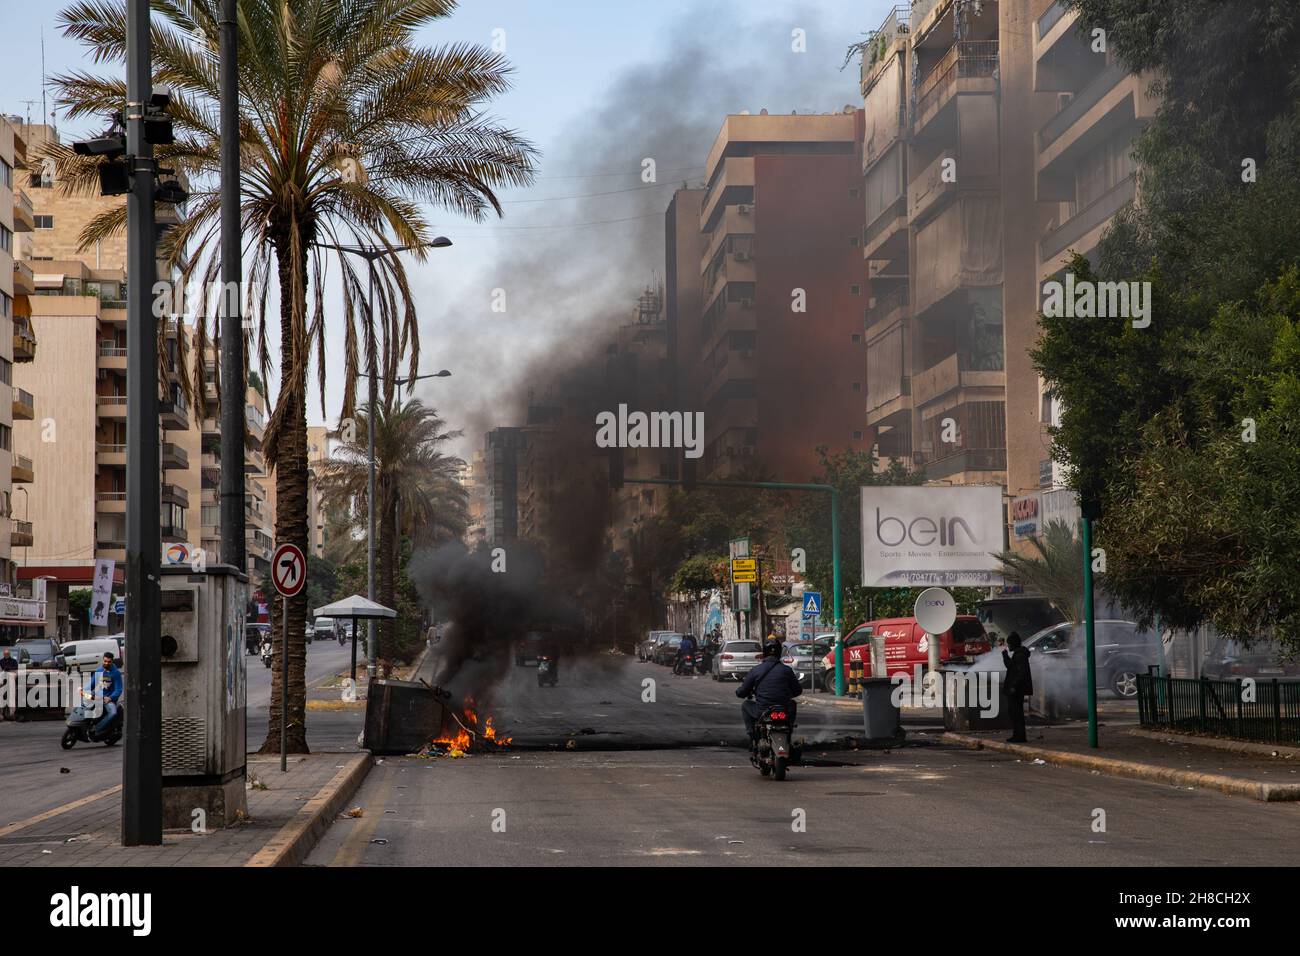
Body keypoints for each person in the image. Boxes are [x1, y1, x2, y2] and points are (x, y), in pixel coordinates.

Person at [735, 638, 803, 744]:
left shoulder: (756, 670)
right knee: (792, 704)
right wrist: (787, 694)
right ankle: (789, 729)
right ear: (779, 652)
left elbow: (742, 692)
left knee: (746, 705)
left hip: (763, 710)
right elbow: (798, 691)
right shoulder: (787, 670)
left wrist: (739, 692)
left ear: (764, 653)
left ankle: (752, 735)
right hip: (783, 710)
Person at [1001, 631, 1032, 743]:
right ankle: (1017, 735)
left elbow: (1021, 673)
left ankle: (1019, 736)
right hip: (1015, 689)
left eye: (1009, 644)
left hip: (1016, 690)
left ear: (1013, 644)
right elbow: (1010, 666)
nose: (1008, 646)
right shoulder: (1017, 654)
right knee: (1014, 712)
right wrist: (1004, 655)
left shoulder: (1020, 655)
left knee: (1016, 713)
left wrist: (1014, 686)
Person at [86, 652, 123, 737]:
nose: (106, 663)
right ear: (103, 660)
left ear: (112, 661)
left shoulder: (116, 673)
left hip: (108, 699)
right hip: (97, 696)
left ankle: (96, 729)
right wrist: (83, 689)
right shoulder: (99, 670)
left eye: (109, 662)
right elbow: (92, 684)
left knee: (113, 713)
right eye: (105, 661)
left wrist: (110, 698)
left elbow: (118, 689)